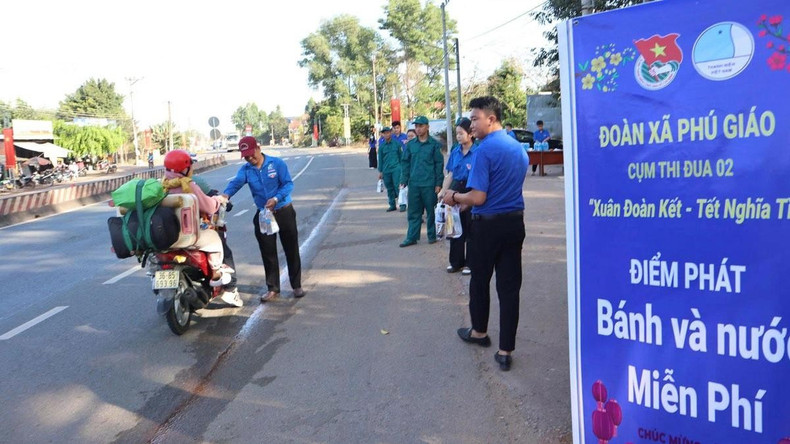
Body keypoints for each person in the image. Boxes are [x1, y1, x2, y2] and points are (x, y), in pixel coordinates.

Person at [442, 96, 528, 371]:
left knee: (480, 280)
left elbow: (479, 197)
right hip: (514, 224)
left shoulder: (484, 150)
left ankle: (479, 332)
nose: (472, 124)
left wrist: (453, 195)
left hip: (487, 227)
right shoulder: (518, 148)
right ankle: (505, 350)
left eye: (475, 118)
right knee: (509, 287)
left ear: (491, 119)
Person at [222, 136, 305, 302]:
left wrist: (276, 198)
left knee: (291, 249)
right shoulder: (246, 170)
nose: (250, 158)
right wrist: (225, 195)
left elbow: (288, 184)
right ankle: (273, 288)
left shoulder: (276, 164)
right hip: (264, 215)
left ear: (258, 148)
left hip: (284, 211)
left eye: (251, 154)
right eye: (246, 156)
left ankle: (296, 286)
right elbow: (236, 183)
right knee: (268, 253)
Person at [161, 150, 234, 289]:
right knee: (214, 239)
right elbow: (208, 207)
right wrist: (218, 201)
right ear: (184, 168)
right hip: (187, 236)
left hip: (166, 235)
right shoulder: (188, 185)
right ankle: (216, 273)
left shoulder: (162, 185)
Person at [192, 175, 242, 307]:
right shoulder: (192, 183)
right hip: (196, 233)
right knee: (224, 251)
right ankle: (230, 289)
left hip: (174, 235)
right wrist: (220, 200)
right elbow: (210, 205)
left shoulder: (165, 185)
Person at [438, 117, 476, 275]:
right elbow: (451, 174)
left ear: (470, 134)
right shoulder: (455, 151)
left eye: (461, 133)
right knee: (453, 227)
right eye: (457, 134)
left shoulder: (478, 151)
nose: (459, 136)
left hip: (471, 188)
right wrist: (443, 192)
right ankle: (456, 262)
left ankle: (470, 263)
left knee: (470, 229)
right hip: (455, 189)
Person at [399, 115, 444, 247]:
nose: (418, 129)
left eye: (421, 126)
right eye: (416, 126)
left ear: (427, 127)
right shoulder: (411, 145)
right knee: (413, 212)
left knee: (431, 211)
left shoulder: (434, 145)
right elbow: (405, 163)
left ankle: (432, 235)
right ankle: (412, 237)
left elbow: (438, 164)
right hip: (414, 184)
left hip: (429, 184)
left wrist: (438, 184)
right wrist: (404, 180)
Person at [377, 127, 403, 212]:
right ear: (382, 134)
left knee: (398, 186)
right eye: (385, 133)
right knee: (389, 188)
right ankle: (392, 204)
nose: (386, 134)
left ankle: (402, 204)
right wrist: (380, 171)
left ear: (391, 133)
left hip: (396, 169)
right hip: (386, 170)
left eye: (388, 133)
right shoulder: (382, 147)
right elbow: (380, 160)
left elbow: (401, 156)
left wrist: (402, 168)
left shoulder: (396, 144)